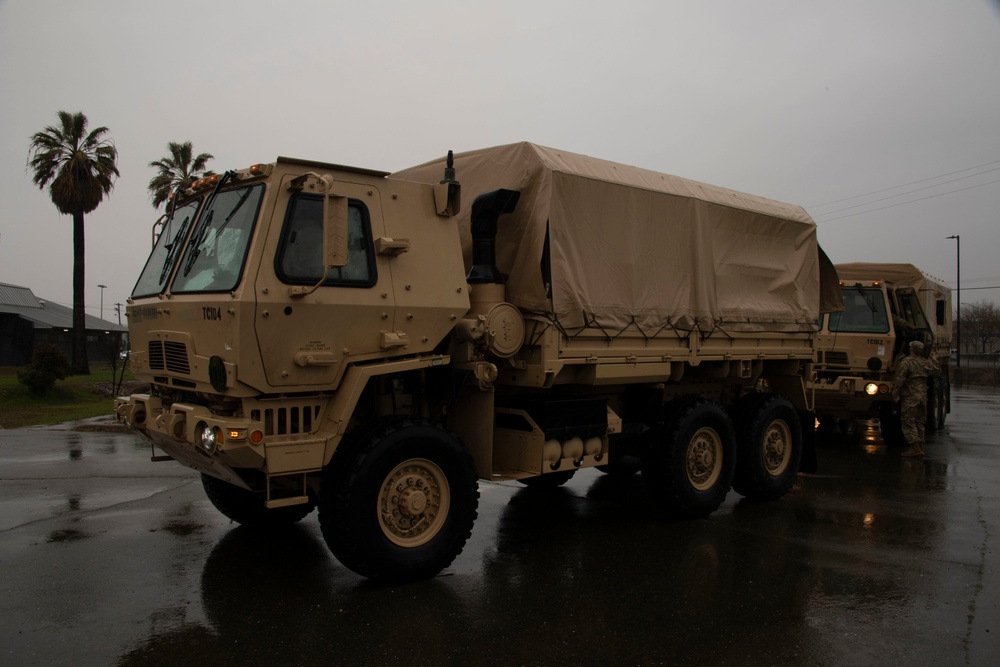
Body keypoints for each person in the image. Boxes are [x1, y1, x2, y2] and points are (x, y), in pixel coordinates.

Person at [891, 340, 941, 457]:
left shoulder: (907, 362)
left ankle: (915, 448)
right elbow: (938, 372)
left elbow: (900, 379)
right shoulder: (925, 362)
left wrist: (895, 394)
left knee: (908, 421)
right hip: (922, 396)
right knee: (919, 422)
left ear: (911, 349)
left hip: (910, 396)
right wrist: (933, 359)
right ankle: (920, 447)